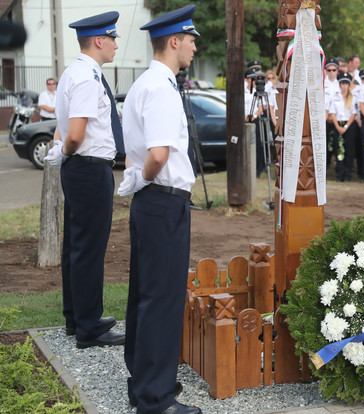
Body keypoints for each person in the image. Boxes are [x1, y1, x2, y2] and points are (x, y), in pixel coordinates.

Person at [117, 5, 202, 412]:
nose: (193, 48)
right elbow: (158, 154)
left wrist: (142, 179)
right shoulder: (161, 87)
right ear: (174, 41)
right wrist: (147, 176)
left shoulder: (143, 84)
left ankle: (146, 382)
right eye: (190, 40)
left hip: (152, 203)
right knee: (162, 298)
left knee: (146, 296)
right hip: (163, 201)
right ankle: (155, 397)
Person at [43, 11, 126, 349]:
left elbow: (63, 125)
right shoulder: (87, 77)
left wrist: (62, 148)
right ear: (99, 41)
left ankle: (76, 317)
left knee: (76, 248)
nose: (117, 45)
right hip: (89, 168)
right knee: (88, 249)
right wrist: (65, 149)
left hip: (81, 168)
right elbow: (74, 133)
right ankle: (89, 326)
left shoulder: (73, 73)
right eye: (113, 38)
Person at [329, 72, 359, 182]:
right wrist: (337, 126)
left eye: (346, 83)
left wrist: (345, 127)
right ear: (340, 84)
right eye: (342, 83)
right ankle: (339, 174)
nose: (344, 85)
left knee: (349, 150)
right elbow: (332, 112)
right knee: (338, 150)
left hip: (349, 125)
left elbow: (353, 114)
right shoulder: (335, 96)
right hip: (338, 124)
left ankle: (347, 174)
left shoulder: (353, 97)